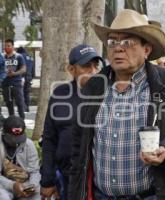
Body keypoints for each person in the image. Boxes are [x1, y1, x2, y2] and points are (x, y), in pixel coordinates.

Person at [68, 9, 165, 200]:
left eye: (128, 42)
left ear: (146, 50)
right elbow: (78, 148)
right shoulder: (93, 86)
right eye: (112, 42)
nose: (118, 48)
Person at [40, 44, 104, 200]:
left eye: (96, 66)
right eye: (86, 66)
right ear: (71, 69)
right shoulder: (60, 94)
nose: (93, 71)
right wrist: (47, 180)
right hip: (66, 177)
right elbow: (49, 138)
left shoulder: (107, 94)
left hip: (98, 181)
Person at [0, 116, 40, 200]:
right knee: (3, 197)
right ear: (4, 133)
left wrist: (32, 186)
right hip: (3, 186)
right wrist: (12, 185)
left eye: (19, 138)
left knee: (40, 195)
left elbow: (35, 171)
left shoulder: (29, 144)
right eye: (12, 139)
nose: (16, 141)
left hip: (24, 184)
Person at [2, 39, 26, 119]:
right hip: (5, 85)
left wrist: (14, 73)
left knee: (20, 104)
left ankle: (22, 124)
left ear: (13, 46)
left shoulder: (18, 56)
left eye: (8, 46)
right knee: (9, 105)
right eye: (5, 46)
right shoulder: (2, 57)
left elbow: (23, 69)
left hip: (16, 84)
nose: (7, 47)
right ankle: (11, 125)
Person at [16, 47, 35, 112]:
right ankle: (27, 107)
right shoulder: (30, 57)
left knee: (20, 93)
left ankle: (23, 107)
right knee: (27, 93)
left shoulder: (19, 56)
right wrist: (31, 77)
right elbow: (33, 69)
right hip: (29, 77)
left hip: (21, 77)